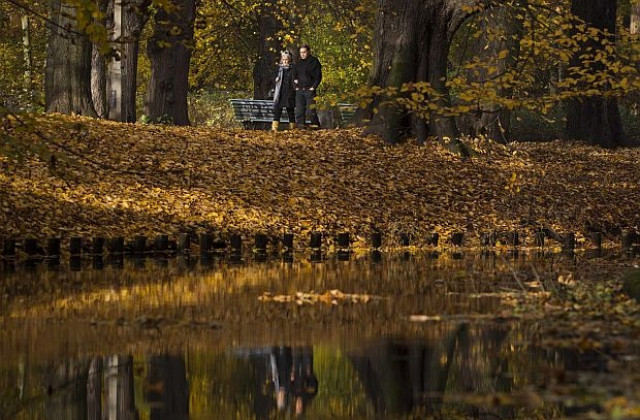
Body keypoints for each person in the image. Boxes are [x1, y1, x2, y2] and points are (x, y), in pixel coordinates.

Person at [292, 45, 322, 128]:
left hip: (310, 90)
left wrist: (313, 87)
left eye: (304, 52)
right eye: (301, 53)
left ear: (308, 52)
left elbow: (318, 76)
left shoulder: (314, 61)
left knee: (310, 111)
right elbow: (294, 76)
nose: (303, 54)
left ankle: (316, 127)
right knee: (299, 112)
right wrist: (296, 86)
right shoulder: (298, 63)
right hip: (300, 90)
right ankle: (301, 129)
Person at [272, 51, 297, 131]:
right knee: (277, 112)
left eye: (286, 59)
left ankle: (292, 129)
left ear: (289, 60)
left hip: (290, 92)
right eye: (283, 59)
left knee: (290, 111)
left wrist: (296, 81)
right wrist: (275, 79)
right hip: (280, 93)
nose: (285, 61)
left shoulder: (293, 68)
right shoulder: (279, 69)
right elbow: (273, 79)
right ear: (281, 60)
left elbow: (296, 78)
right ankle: (274, 129)